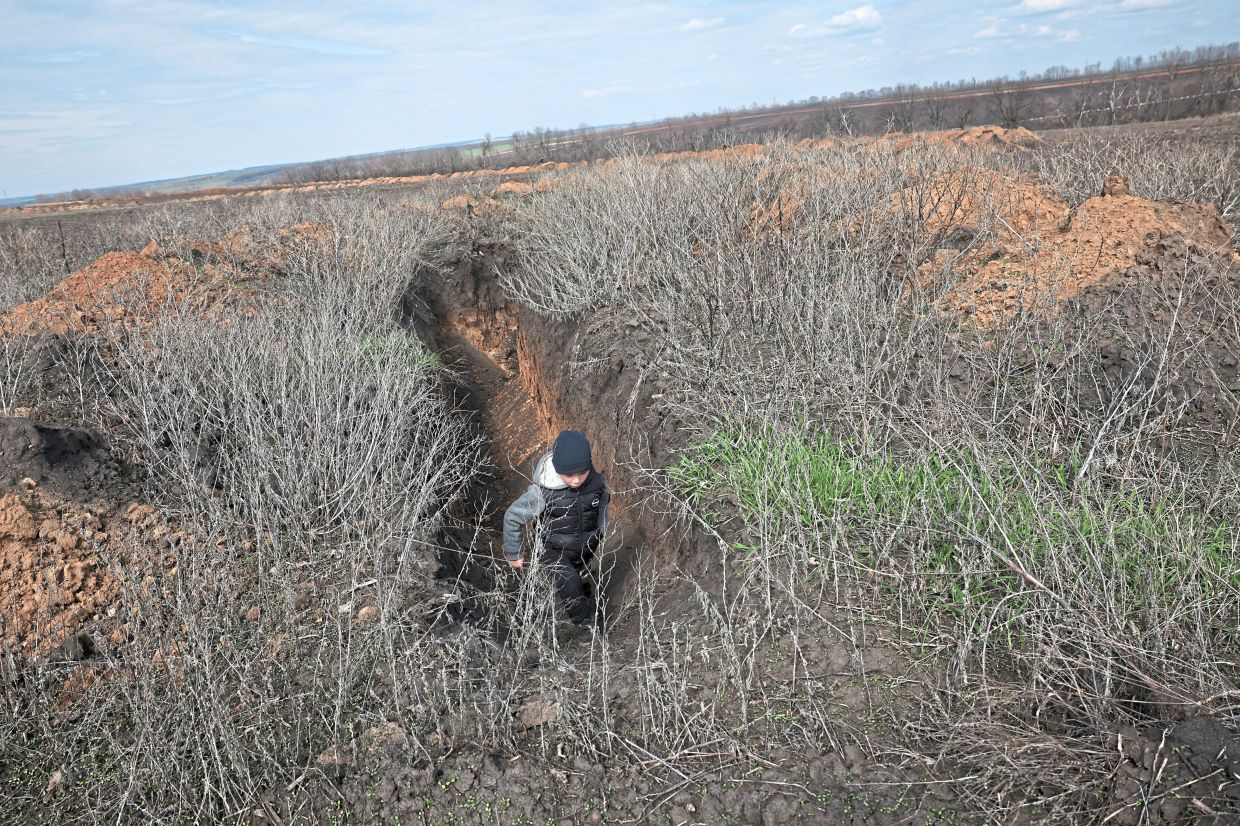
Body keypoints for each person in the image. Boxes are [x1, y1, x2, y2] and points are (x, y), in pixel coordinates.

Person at [503, 429, 609, 634]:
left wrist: (600, 532)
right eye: (569, 475)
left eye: (582, 473)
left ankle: (586, 596)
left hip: (584, 547)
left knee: (580, 578)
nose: (576, 480)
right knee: (568, 579)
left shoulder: (597, 483)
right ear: (558, 469)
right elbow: (513, 516)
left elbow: (603, 504)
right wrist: (514, 553)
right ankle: (585, 625)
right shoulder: (544, 491)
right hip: (551, 549)